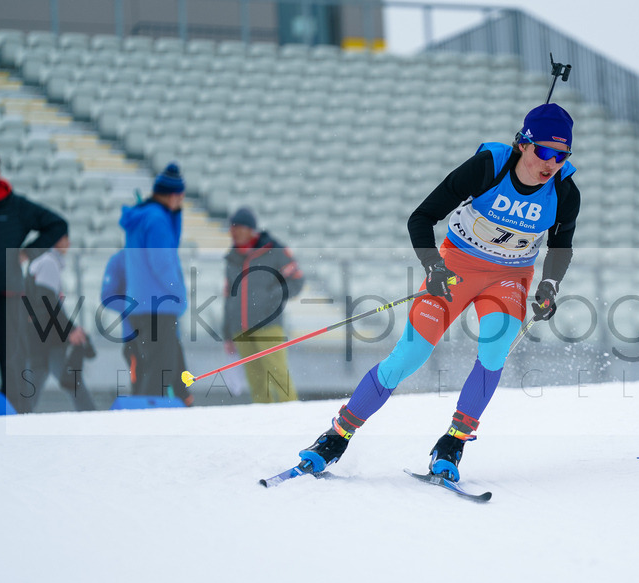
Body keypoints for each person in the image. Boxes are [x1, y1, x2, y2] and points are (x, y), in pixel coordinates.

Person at [296, 103, 580, 482]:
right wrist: (434, 266)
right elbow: (421, 217)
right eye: (544, 151)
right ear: (523, 144)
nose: (552, 163)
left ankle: (453, 444)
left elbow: (562, 245)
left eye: (561, 155)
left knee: (495, 351)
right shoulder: (487, 168)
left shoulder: (564, 191)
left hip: (508, 277)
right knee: (409, 356)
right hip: (456, 267)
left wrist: (549, 285)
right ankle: (336, 436)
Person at [0, 149, 69, 411]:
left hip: (10, 297)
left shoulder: (17, 207)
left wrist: (27, 252)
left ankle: (13, 420)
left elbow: (58, 225)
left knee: (13, 362)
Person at [119, 161, 192, 405]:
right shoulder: (157, 219)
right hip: (159, 305)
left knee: (150, 366)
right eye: (181, 197)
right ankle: (147, 419)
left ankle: (142, 415)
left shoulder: (142, 217)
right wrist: (179, 295)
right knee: (162, 368)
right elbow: (163, 263)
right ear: (173, 195)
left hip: (140, 305)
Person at [222, 206, 305, 403]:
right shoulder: (232, 258)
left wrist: (272, 297)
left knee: (278, 377)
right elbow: (228, 296)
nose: (234, 232)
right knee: (257, 383)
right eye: (232, 228)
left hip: (268, 325)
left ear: (251, 229)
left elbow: (297, 280)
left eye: (238, 227)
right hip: (240, 330)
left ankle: (293, 417)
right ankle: (264, 424)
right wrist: (227, 334)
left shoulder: (273, 250)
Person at [20, 234, 97, 411]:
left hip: (40, 335)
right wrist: (71, 329)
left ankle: (18, 419)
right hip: (48, 336)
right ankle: (93, 419)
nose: (68, 243)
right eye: (64, 238)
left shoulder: (40, 262)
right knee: (68, 381)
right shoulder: (48, 262)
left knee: (35, 382)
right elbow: (48, 302)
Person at [99, 249, 139, 395]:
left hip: (165, 333)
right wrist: (136, 308)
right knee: (142, 386)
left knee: (170, 384)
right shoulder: (120, 259)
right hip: (135, 337)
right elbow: (107, 296)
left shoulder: (159, 255)